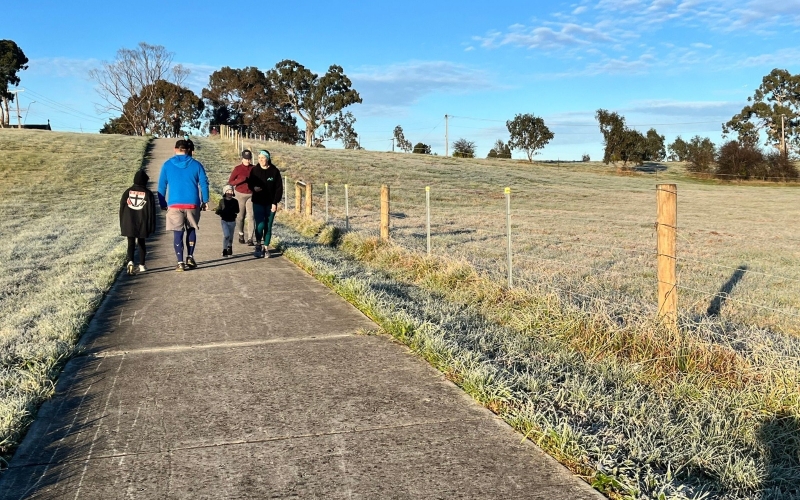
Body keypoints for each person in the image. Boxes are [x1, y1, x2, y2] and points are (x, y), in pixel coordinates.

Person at [157, 139, 210, 272]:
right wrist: (205, 200)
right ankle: (190, 257)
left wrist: (162, 203)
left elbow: (161, 186)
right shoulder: (197, 165)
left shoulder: (167, 165)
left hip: (174, 204)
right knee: (191, 229)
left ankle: (180, 262)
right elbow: (204, 183)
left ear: (175, 149)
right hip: (192, 203)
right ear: (188, 150)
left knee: (178, 232)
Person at [119, 169, 156, 275]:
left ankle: (130, 262)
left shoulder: (127, 192)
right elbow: (152, 211)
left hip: (128, 222)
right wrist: (151, 226)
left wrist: (122, 222)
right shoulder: (148, 194)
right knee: (141, 243)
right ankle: (142, 265)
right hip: (142, 223)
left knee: (130, 243)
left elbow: (122, 207)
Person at [247, 150, 283, 258]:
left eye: (263, 158)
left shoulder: (274, 171)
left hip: (270, 203)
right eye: (259, 158)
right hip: (258, 202)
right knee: (260, 224)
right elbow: (250, 183)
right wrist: (254, 188)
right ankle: (258, 244)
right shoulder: (255, 170)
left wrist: (275, 203)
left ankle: (266, 248)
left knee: (268, 225)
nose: (261, 160)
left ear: (267, 158)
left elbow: (279, 189)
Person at [228, 149, 255, 246]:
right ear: (242, 158)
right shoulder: (237, 169)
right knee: (240, 217)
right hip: (239, 194)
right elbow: (230, 182)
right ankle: (241, 234)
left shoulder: (254, 168)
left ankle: (250, 238)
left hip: (251, 195)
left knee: (251, 216)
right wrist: (239, 180)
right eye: (246, 159)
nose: (247, 161)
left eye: (249, 159)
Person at [215, 184, 240, 257]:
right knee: (226, 235)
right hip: (224, 221)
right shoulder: (222, 201)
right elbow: (219, 209)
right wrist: (219, 212)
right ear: (225, 193)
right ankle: (224, 249)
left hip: (232, 221)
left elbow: (237, 210)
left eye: (231, 191)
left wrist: (233, 212)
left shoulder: (235, 201)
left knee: (231, 236)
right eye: (228, 191)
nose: (230, 193)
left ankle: (230, 247)